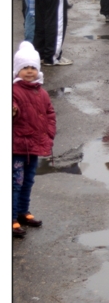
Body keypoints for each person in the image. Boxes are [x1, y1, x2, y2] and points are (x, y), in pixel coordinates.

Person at [12, 41, 56, 239]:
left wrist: (49, 132)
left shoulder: (42, 92)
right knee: (15, 182)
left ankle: (23, 212)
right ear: (16, 70)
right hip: (17, 147)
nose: (29, 72)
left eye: (32, 68)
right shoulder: (13, 91)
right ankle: (11, 217)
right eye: (24, 68)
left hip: (34, 145)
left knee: (28, 181)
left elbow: (49, 113)